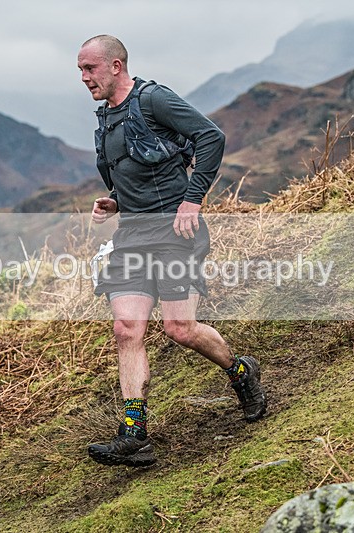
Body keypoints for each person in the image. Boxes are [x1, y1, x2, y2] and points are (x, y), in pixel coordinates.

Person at [78, 35, 267, 467]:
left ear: (116, 66)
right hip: (132, 236)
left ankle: (241, 372)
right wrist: (116, 201)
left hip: (175, 233)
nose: (85, 78)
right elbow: (142, 170)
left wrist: (193, 199)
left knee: (180, 328)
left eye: (90, 69)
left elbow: (210, 137)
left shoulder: (154, 99)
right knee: (127, 328)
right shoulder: (107, 118)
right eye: (80, 70)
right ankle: (134, 434)